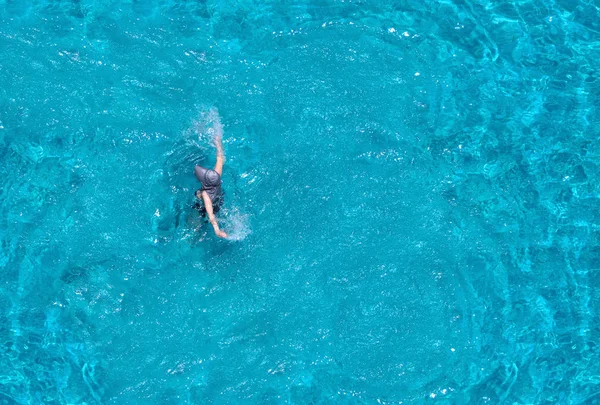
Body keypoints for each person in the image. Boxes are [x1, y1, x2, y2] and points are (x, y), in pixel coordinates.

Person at [194, 132, 228, 239]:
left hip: (206, 207)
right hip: (219, 198)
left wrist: (217, 230)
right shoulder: (217, 176)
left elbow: (210, 214)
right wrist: (218, 143)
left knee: (193, 225)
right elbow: (220, 158)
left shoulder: (205, 194)